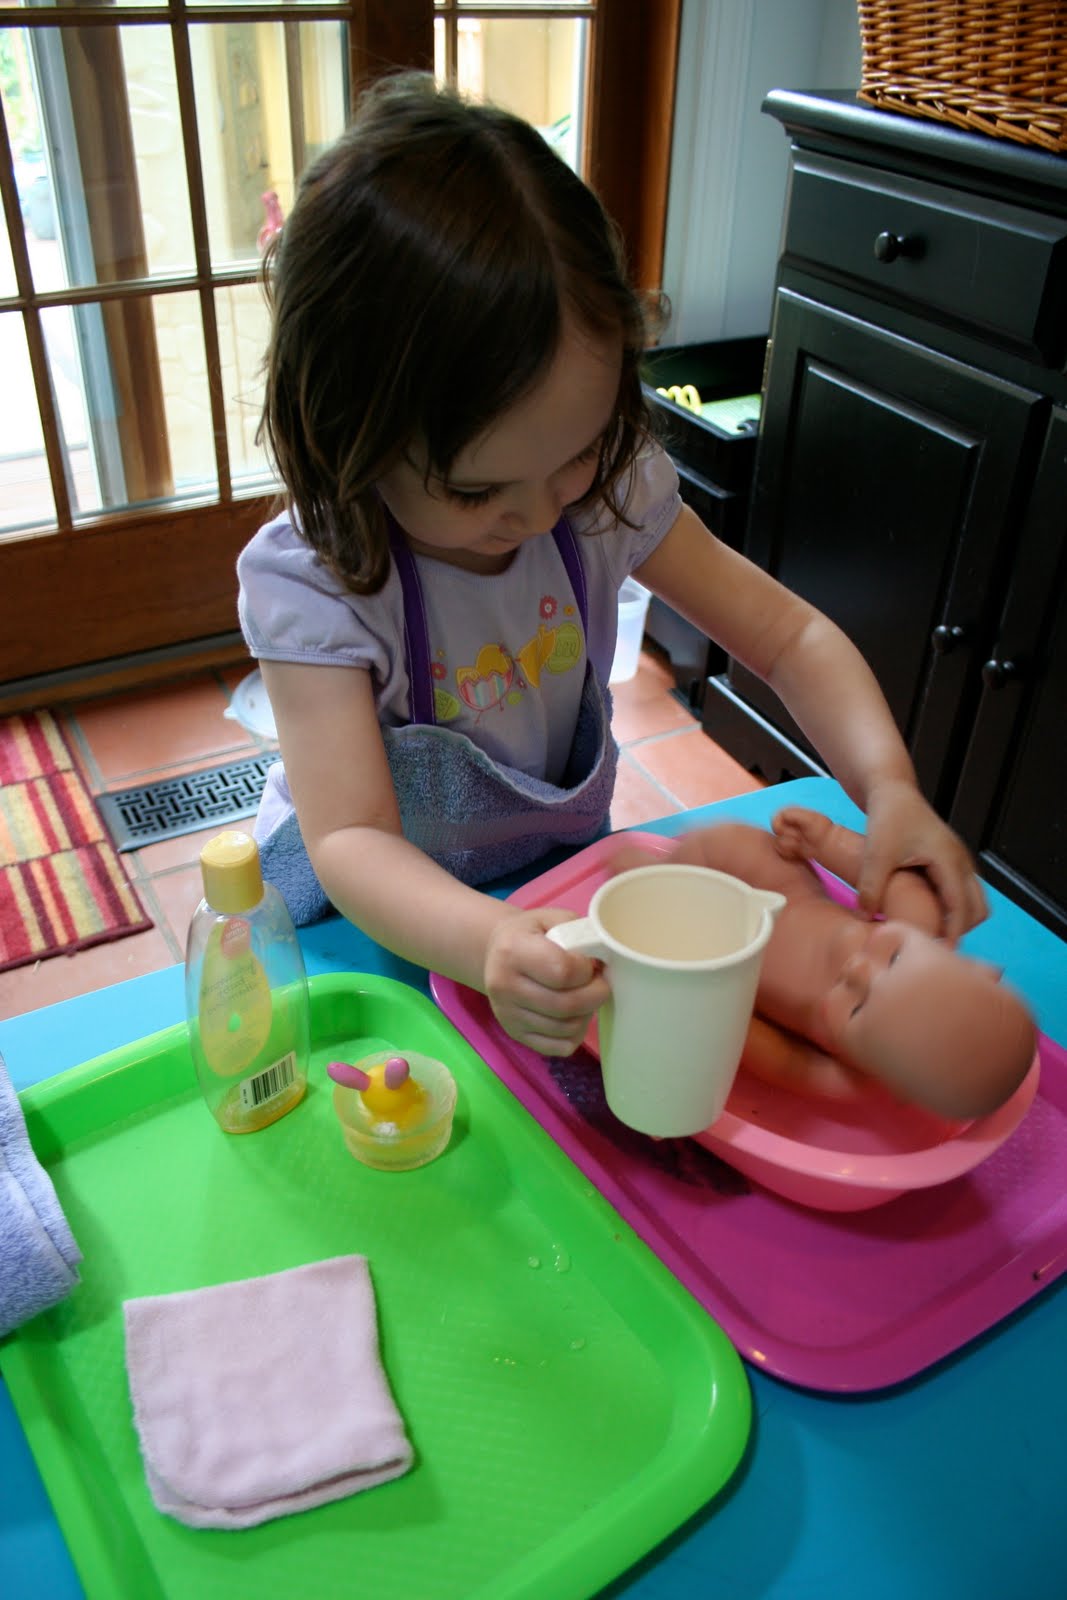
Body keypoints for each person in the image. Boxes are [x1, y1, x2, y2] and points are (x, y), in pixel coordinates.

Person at [237, 72, 986, 1062]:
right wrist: (484, 940)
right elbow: (350, 843)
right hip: (374, 926)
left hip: (544, 889)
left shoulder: (600, 491)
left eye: (577, 450)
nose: (542, 508)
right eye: (477, 490)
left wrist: (887, 787)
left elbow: (790, 636)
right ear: (347, 433)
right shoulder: (319, 581)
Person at [618, 808, 1036, 1121]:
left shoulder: (847, 1080)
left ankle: (651, 892)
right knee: (735, 843)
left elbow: (784, 1062)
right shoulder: (921, 921)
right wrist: (829, 842)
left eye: (856, 1008)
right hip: (784, 892)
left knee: (669, 955)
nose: (857, 971)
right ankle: (672, 870)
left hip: (722, 961)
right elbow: (888, 874)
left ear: (896, 1086)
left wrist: (726, 1017)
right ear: (968, 964)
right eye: (892, 957)